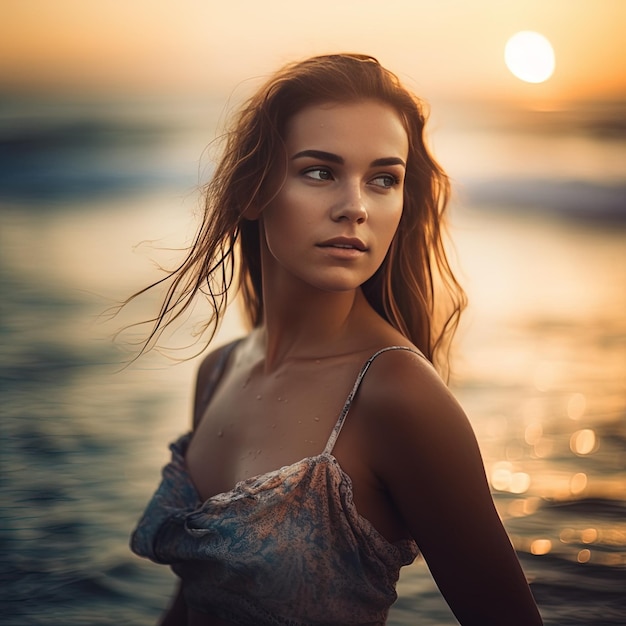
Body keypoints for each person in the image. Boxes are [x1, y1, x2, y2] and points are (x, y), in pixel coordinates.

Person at [128, 53, 543, 626]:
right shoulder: (220, 370)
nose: (355, 208)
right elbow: (197, 599)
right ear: (253, 190)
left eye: (383, 180)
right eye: (320, 172)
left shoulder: (398, 395)